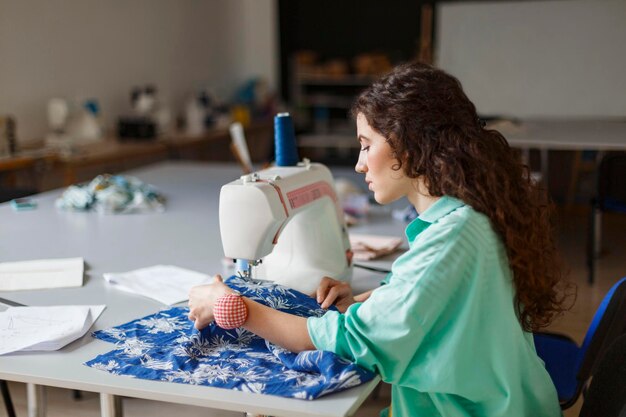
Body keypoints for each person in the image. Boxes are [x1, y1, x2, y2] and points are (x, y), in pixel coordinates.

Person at [188, 62, 571, 417]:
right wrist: (361, 300)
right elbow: (433, 295)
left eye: (366, 144)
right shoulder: (466, 218)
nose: (358, 163)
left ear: (407, 142)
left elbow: (351, 340)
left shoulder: (452, 238)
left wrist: (231, 305)